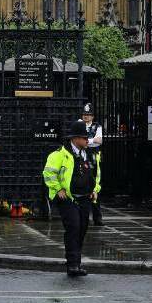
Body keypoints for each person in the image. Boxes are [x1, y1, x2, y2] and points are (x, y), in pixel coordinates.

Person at [43, 120, 102, 277]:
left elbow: (96, 175)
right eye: (84, 138)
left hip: (85, 198)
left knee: (82, 229)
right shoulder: (59, 155)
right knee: (73, 228)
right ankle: (72, 265)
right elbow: (48, 173)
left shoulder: (90, 154)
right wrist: (58, 189)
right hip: (68, 199)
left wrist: (95, 190)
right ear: (75, 139)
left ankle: (77, 262)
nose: (87, 141)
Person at [81, 103, 104, 226]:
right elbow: (79, 140)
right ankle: (83, 216)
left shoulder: (97, 126)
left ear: (92, 116)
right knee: (81, 184)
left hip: (94, 158)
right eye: (84, 114)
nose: (86, 117)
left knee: (95, 186)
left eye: (88, 115)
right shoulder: (79, 124)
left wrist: (86, 141)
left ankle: (97, 217)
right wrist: (91, 140)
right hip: (82, 156)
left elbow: (99, 141)